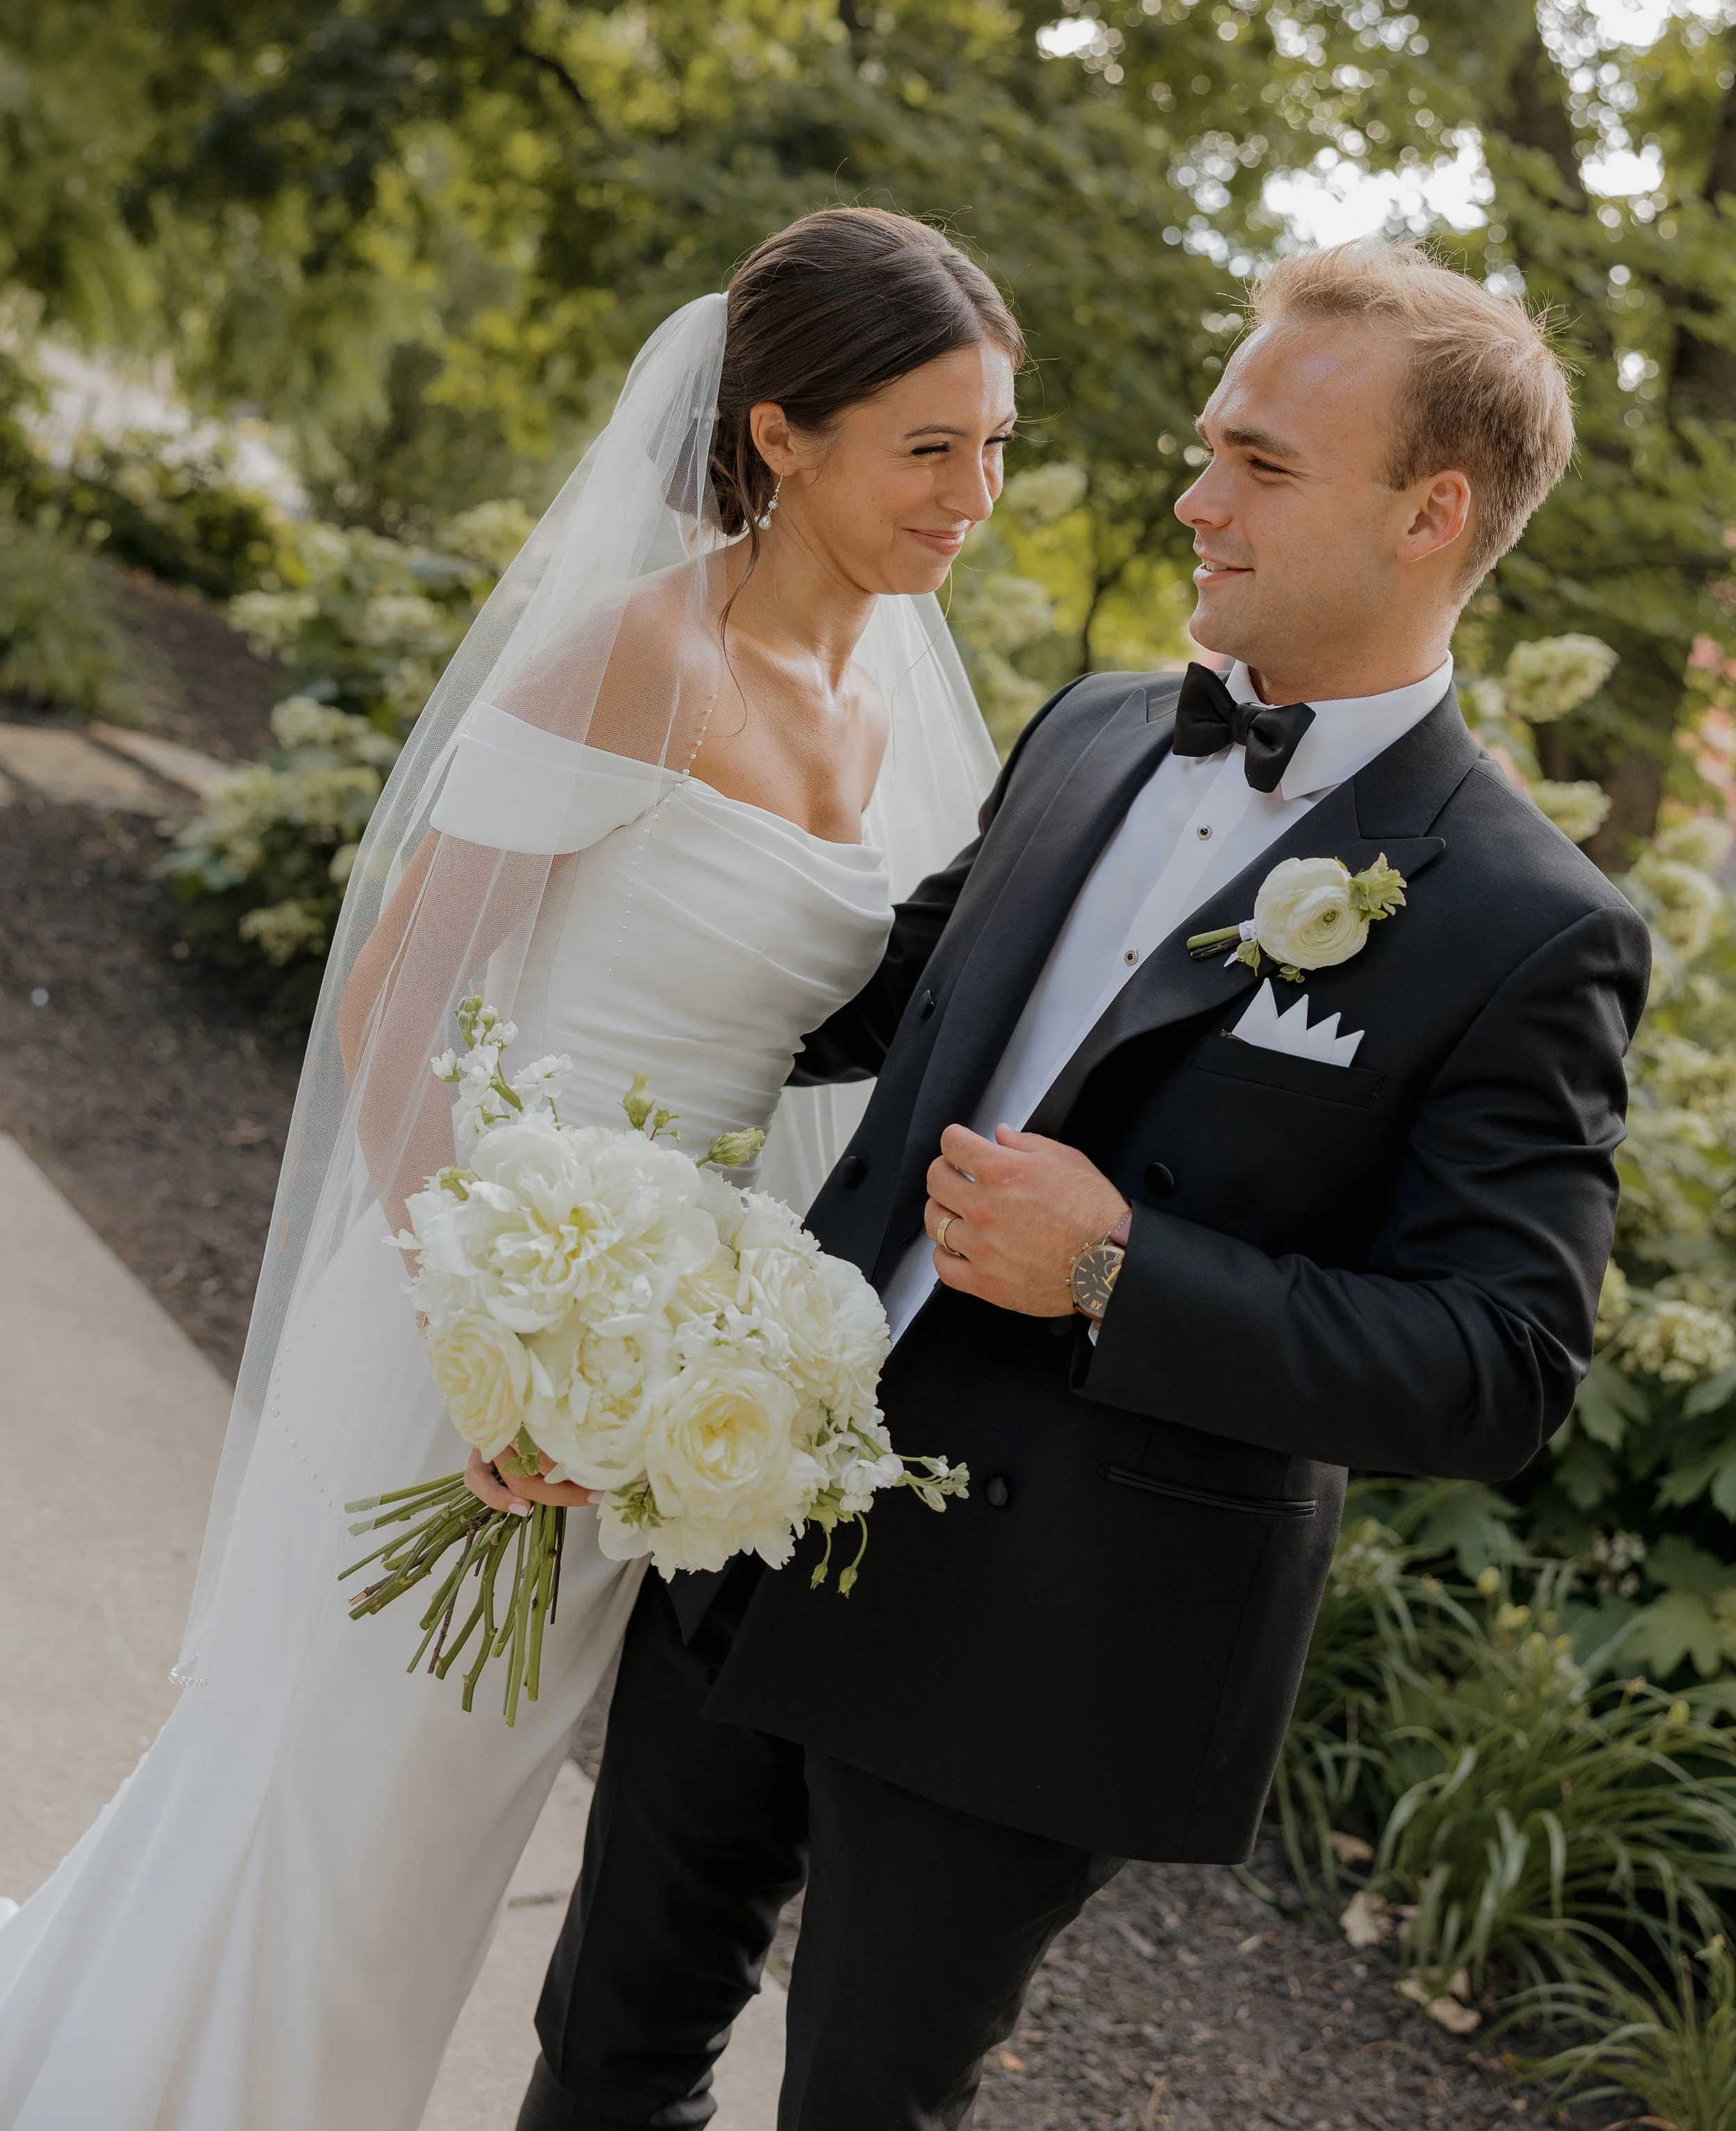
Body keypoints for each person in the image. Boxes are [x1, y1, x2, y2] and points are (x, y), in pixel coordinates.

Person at [519, 238, 1651, 2131]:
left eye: (1261, 465)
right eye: (1209, 444)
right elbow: (859, 1001)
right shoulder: (1101, 726)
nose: (1195, 495)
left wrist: (1126, 1266)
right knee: (599, 2055)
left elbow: (1498, 1359)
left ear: (1430, 512)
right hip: (758, 1498)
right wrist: (554, 1015)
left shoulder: (1529, 925)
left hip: (1039, 1631)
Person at [0, 207, 1017, 2131]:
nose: (972, 494)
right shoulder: (635, 653)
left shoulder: (890, 709)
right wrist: (492, 1349)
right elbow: (399, 1003)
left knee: (432, 1849)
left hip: (646, 1369)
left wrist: (713, 1359)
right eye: (929, 445)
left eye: (992, 446)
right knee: (328, 1799)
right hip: (456, 1327)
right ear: (782, 434)